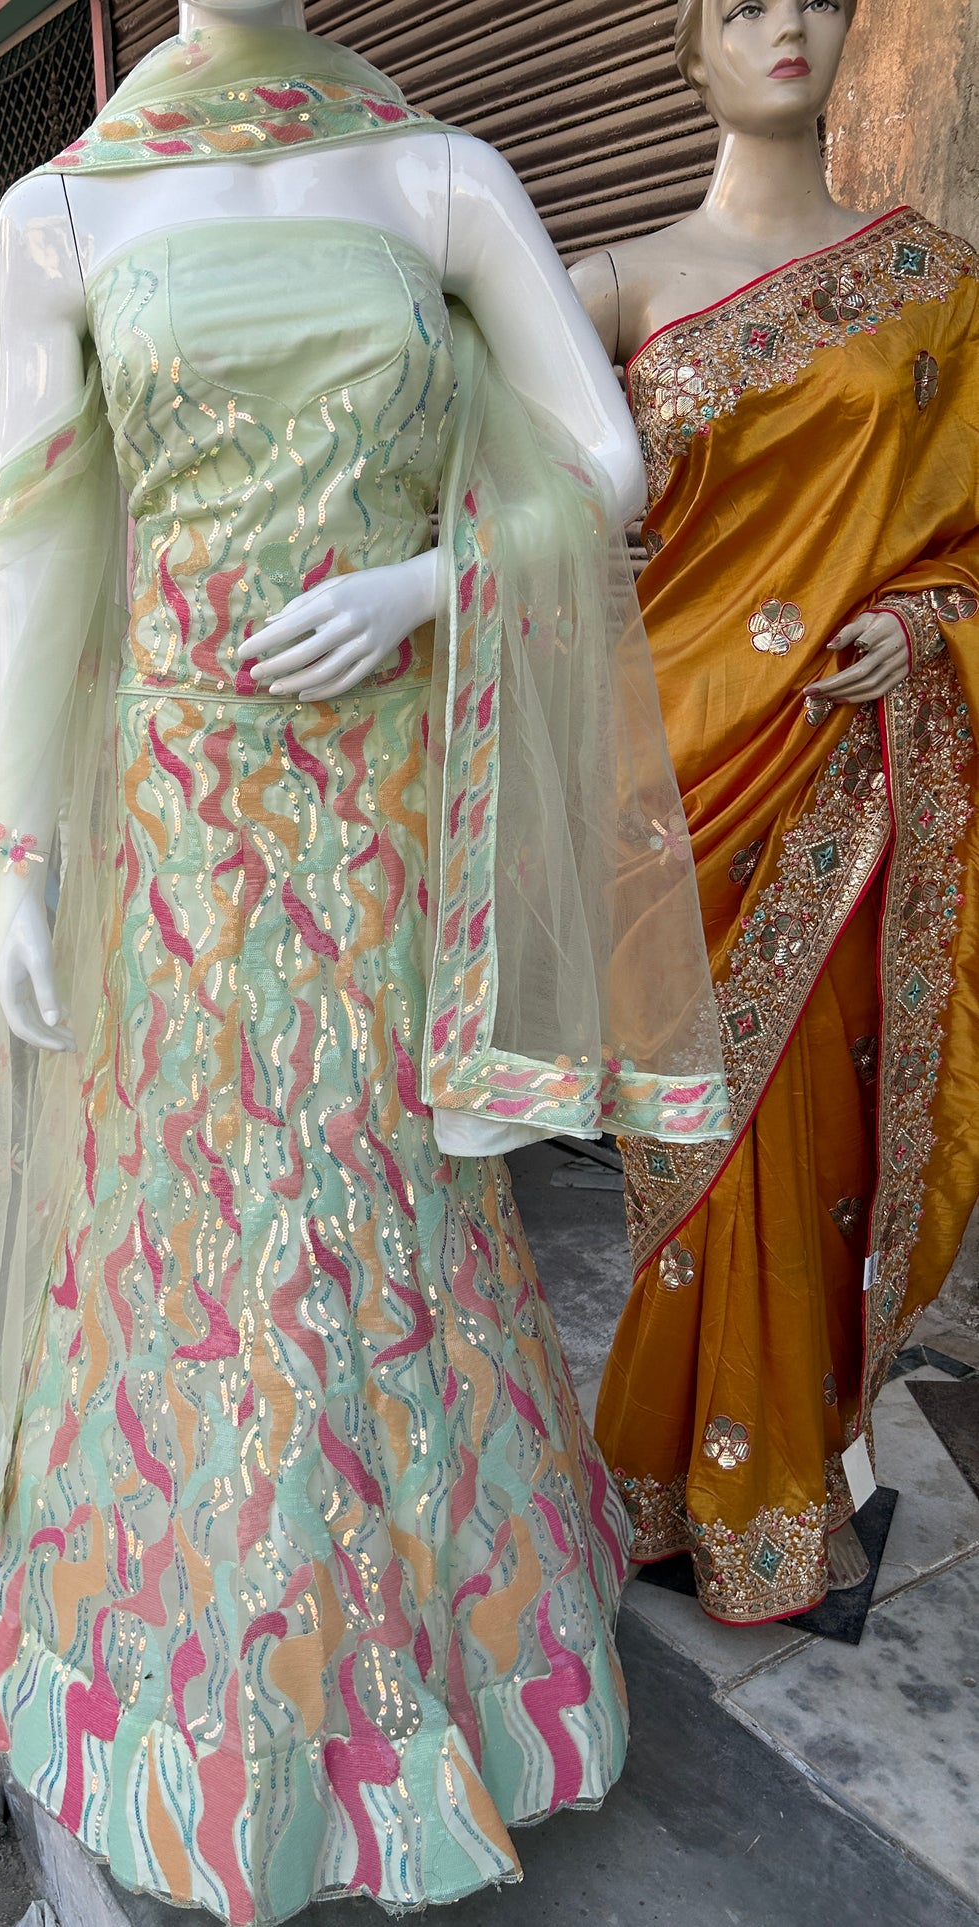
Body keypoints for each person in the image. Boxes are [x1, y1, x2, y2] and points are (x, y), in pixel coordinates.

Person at [0, 4, 727, 1917]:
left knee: (389, 1237)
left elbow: (597, 466)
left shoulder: (445, 175)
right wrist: (22, 866)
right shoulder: (59, 209)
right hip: (173, 835)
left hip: (387, 830)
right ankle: (221, 1715)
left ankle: (401, 1705)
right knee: (199, 1253)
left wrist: (426, 584)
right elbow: (42, 553)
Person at [572, 0, 979, 1625]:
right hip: (660, 797)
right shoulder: (606, 286)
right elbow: (521, 529)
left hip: (852, 784)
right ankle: (684, 1483)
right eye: (737, 3)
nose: (782, 25)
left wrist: (929, 627)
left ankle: (800, 1478)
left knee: (812, 1149)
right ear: (687, 46)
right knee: (689, 1163)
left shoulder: (940, 288)